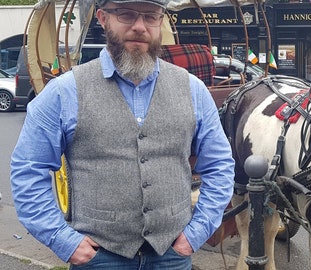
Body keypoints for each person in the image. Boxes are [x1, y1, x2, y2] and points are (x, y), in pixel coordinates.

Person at [10, 0, 235, 269]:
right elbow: (27, 170)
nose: (139, 26)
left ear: (160, 22)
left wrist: (197, 231)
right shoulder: (64, 92)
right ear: (103, 19)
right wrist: (62, 239)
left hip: (172, 256)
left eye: (150, 16)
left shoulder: (193, 90)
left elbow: (220, 165)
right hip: (100, 258)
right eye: (127, 14)